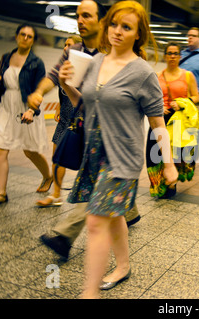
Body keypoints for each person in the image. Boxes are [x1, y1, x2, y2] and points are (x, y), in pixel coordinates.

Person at [59, 0, 178, 299]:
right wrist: (68, 86)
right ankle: (123, 266)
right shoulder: (96, 61)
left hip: (122, 159)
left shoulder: (143, 73)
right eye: (114, 24)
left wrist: (169, 164)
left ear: (138, 34)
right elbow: (85, 105)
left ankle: (89, 292)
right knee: (113, 217)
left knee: (96, 219)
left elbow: (158, 124)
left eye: (127, 27)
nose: (117, 31)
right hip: (94, 153)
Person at [30, 0, 140, 261]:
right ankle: (129, 208)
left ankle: (64, 236)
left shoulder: (115, 50)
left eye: (87, 16)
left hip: (114, 135)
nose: (80, 20)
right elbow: (55, 75)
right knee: (104, 184)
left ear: (102, 21)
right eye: (78, 15)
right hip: (85, 126)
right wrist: (38, 92)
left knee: (97, 189)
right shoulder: (74, 51)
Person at [0, 24, 52, 208]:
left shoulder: (37, 63)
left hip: (26, 107)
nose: (26, 38)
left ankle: (47, 176)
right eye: (23, 34)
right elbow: (2, 83)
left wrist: (32, 110)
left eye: (30, 36)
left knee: (29, 151)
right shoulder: (5, 58)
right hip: (6, 106)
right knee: (0, 148)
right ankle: (1, 194)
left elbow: (39, 90)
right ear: (16, 36)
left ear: (33, 40)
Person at [146, 42, 199, 199]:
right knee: (154, 152)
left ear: (180, 56)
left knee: (175, 152)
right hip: (159, 117)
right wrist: (157, 106)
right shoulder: (157, 76)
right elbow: (150, 96)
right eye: (169, 53)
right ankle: (159, 183)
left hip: (178, 120)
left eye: (176, 53)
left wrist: (183, 102)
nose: (172, 56)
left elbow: (196, 96)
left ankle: (172, 182)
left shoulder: (188, 75)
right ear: (165, 56)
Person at [35, 35, 82, 208]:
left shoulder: (82, 67)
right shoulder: (65, 67)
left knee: (87, 160)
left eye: (70, 45)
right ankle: (56, 194)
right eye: (65, 45)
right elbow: (62, 91)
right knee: (57, 156)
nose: (66, 48)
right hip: (64, 119)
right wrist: (58, 108)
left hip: (80, 120)